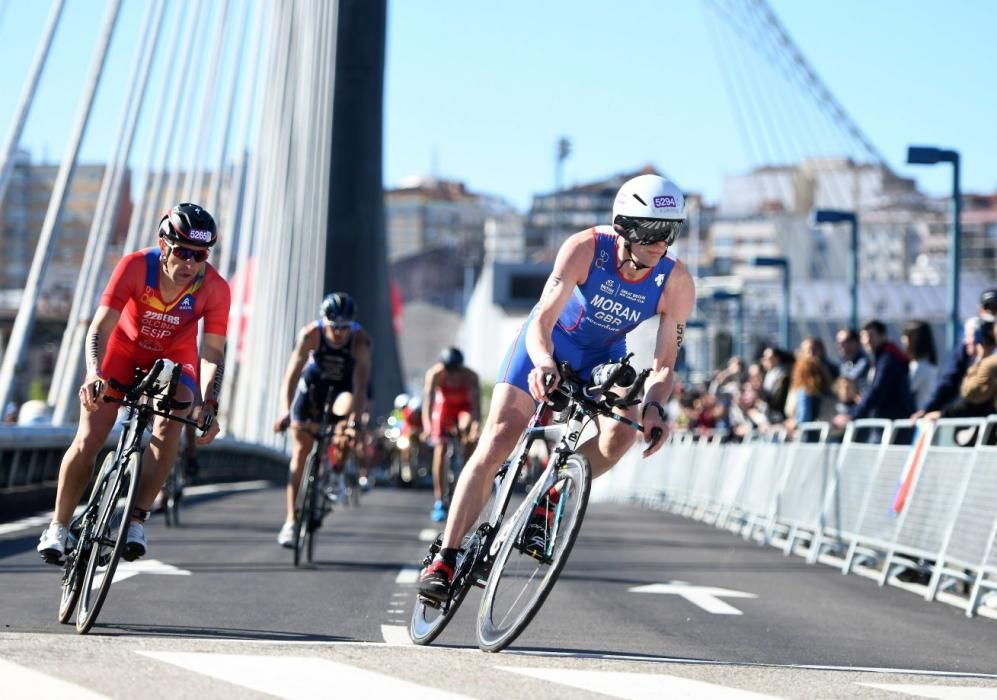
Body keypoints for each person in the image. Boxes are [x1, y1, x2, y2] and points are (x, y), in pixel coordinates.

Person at [417, 173, 695, 602]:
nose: (662, 243)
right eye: (653, 230)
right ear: (624, 225)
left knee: (623, 432)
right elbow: (543, 319)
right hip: (548, 344)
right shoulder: (586, 248)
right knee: (498, 437)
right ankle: (446, 556)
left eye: (671, 232)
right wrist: (545, 362)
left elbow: (664, 364)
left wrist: (657, 406)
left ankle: (551, 494)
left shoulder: (675, 281)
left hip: (602, 356)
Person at [36, 203, 230, 563]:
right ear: (163, 243)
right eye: (182, 251)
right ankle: (59, 526)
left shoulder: (215, 287)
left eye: (199, 254)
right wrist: (94, 371)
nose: (190, 262)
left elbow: (212, 352)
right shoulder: (136, 266)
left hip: (174, 359)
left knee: (174, 419)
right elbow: (101, 326)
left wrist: (210, 402)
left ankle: (137, 519)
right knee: (90, 437)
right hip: (122, 351)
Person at [272, 292, 371, 547]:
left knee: (347, 421)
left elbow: (360, 386)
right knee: (300, 453)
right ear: (324, 322)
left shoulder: (360, 340)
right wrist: (285, 411)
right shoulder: (310, 334)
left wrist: (355, 422)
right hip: (313, 386)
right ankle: (291, 521)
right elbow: (292, 376)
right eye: (334, 327)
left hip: (344, 388)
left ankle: (337, 471)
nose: (339, 333)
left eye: (344, 327)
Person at [914, 289, 997, 418]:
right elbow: (953, 381)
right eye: (990, 310)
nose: (993, 316)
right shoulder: (970, 348)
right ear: (981, 311)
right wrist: (929, 409)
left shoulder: (989, 362)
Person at [422, 346, 481, 522]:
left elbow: (476, 408)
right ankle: (440, 499)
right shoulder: (435, 375)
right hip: (444, 410)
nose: (453, 374)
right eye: (449, 370)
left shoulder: (471, 376)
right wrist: (427, 427)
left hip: (463, 409)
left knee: (470, 436)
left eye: (457, 370)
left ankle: (463, 480)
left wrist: (474, 429)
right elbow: (429, 403)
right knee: (440, 449)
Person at [832, 319, 914, 429]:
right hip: (886, 420)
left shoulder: (888, 359)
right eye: (864, 337)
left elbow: (877, 390)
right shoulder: (881, 358)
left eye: (871, 335)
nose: (867, 340)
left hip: (893, 422)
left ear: (883, 335)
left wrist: (851, 414)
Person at [900, 319, 939, 411]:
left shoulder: (920, 367)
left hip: (919, 420)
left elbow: (902, 391)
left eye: (907, 336)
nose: (903, 341)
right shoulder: (926, 365)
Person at [835, 328, 871, 393]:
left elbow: (850, 380)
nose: (840, 346)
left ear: (857, 342)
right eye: (839, 342)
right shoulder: (844, 363)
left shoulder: (866, 362)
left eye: (845, 342)